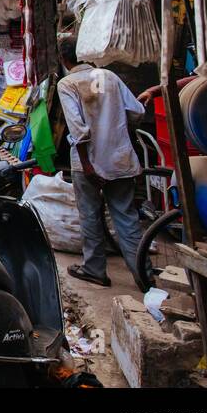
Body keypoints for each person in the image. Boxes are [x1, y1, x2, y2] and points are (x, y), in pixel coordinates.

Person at [55, 36, 147, 288]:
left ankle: (95, 268)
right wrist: (117, 130)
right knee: (126, 217)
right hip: (120, 158)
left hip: (88, 163)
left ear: (64, 59)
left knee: (90, 216)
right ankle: (143, 274)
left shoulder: (67, 84)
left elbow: (79, 130)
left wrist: (88, 165)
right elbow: (137, 111)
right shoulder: (109, 77)